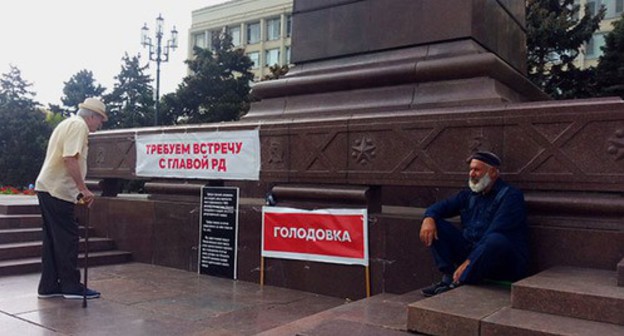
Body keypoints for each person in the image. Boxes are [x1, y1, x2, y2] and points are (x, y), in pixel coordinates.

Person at [419, 151, 529, 297]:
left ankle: (458, 282)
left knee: (495, 240)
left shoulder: (511, 196)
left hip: (498, 260)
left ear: (493, 173)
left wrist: (470, 261)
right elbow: (440, 207)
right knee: (436, 224)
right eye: (471, 170)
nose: (472, 174)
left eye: (477, 170)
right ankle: (448, 278)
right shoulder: (468, 194)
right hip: (472, 251)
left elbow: (498, 230)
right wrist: (429, 218)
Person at [35, 97, 107, 299]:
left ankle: (48, 286)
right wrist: (83, 189)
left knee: (52, 240)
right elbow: (70, 158)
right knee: (67, 238)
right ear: (91, 116)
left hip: (48, 188)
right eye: (100, 119)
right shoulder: (79, 126)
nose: (100, 124)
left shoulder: (67, 123)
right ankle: (70, 285)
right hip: (57, 191)